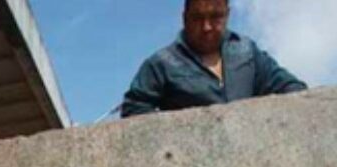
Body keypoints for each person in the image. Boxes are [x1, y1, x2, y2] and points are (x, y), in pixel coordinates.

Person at [121, 0, 307, 118]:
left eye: (215, 17)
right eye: (198, 18)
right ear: (185, 18)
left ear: (227, 14)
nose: (207, 27)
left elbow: (292, 89)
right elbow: (133, 110)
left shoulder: (247, 51)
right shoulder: (161, 63)